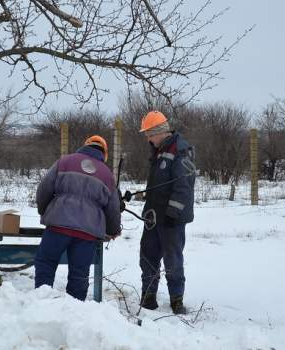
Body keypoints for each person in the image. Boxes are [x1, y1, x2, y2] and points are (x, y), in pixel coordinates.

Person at [35, 135, 122, 301]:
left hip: (57, 226)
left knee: (45, 263)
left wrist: (44, 210)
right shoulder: (107, 175)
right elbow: (113, 208)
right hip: (87, 233)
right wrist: (113, 230)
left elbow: (44, 189)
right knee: (79, 274)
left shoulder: (64, 162)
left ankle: (41, 304)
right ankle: (75, 312)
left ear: (85, 146)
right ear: (104, 153)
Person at [137, 111, 195, 314]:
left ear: (159, 131)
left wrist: (173, 213)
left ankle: (176, 300)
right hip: (153, 215)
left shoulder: (180, 150)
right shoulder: (158, 151)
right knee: (148, 256)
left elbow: (183, 186)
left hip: (172, 220)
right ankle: (148, 296)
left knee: (173, 260)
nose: (147, 138)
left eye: (149, 134)